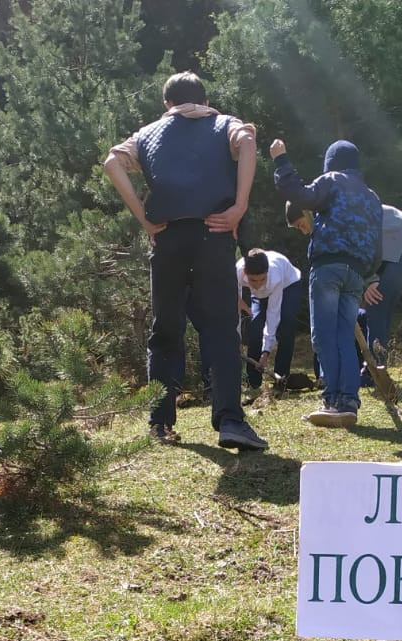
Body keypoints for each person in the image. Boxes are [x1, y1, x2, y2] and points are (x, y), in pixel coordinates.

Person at [103, 71, 267, 452]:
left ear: (167, 104)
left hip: (168, 238)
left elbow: (112, 162)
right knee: (223, 328)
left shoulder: (147, 133)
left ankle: (160, 423)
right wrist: (239, 206)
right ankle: (230, 421)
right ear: (204, 100)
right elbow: (246, 141)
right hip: (215, 233)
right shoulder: (223, 123)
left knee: (166, 329)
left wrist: (145, 220)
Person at [269, 138, 382, 428]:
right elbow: (378, 244)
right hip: (356, 272)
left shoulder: (332, 180)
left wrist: (281, 160)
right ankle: (348, 402)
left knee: (323, 336)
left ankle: (334, 400)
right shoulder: (372, 197)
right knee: (344, 335)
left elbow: (298, 195)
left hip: (328, 265)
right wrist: (369, 274)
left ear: (331, 163)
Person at [361, 204, 402, 381]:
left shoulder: (344, 218)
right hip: (401, 242)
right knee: (379, 305)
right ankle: (376, 368)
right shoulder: (343, 213)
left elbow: (362, 251)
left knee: (376, 301)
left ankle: (374, 371)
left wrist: (369, 282)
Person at [236, 247, 303, 391]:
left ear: (267, 273)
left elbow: (273, 314)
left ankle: (281, 379)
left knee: (286, 324)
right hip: (261, 296)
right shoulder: (237, 272)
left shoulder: (275, 277)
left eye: (262, 279)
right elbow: (234, 307)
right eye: (254, 280)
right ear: (245, 273)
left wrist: (266, 352)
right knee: (254, 327)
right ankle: (253, 382)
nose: (259, 284)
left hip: (289, 285)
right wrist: (236, 339)